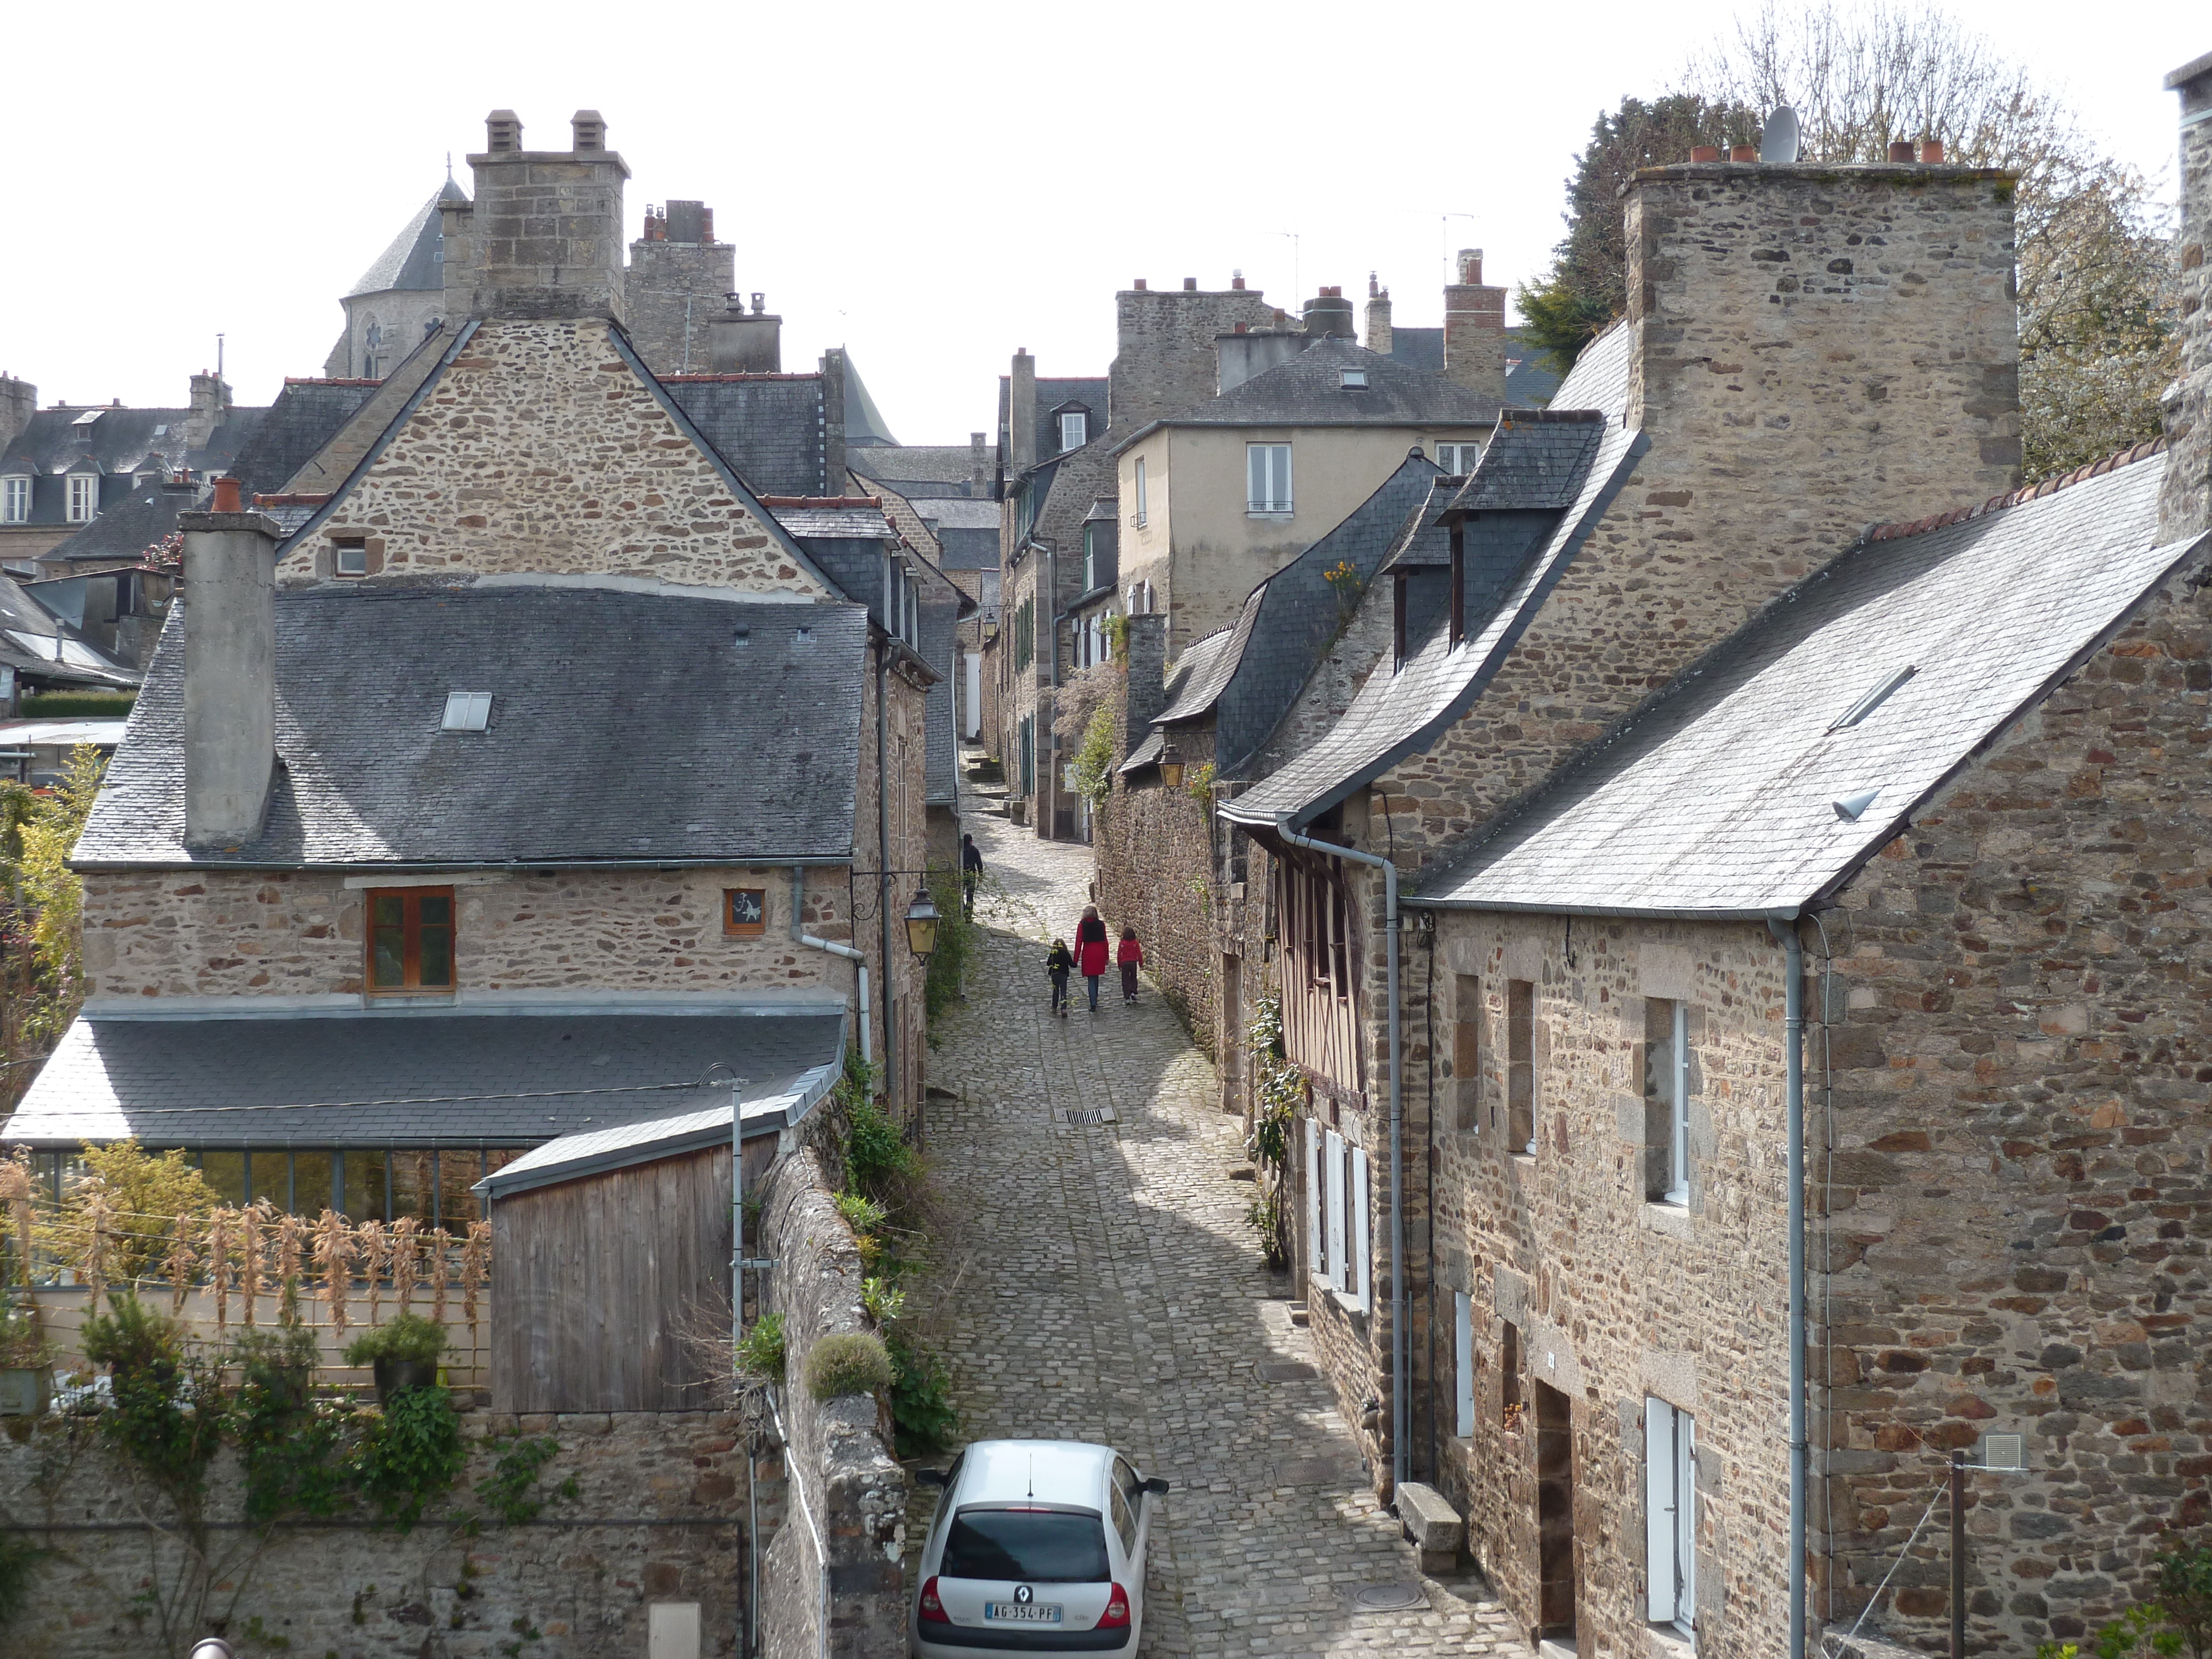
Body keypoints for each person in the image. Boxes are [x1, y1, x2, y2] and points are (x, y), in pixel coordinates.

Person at [1075, 905, 1110, 1014]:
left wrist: (1075, 960)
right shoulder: (1101, 925)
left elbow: (1079, 942)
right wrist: (1107, 956)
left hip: (1088, 953)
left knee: (1091, 978)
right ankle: (1095, 998)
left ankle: (1093, 1003)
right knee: (1096, 976)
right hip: (1099, 952)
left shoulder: (1082, 925)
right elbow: (1105, 941)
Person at [1045, 938, 1073, 1016]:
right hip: (1063, 974)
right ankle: (1064, 1009)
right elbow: (1072, 964)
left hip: (1055, 974)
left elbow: (1048, 963)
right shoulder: (1065, 953)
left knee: (1056, 991)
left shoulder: (1054, 953)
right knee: (1063, 991)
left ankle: (1054, 1007)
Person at [1117, 926, 1144, 1005]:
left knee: (1125, 980)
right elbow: (1139, 953)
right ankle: (1133, 992)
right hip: (1133, 963)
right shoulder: (1135, 943)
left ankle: (1127, 997)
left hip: (1125, 963)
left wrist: (1119, 964)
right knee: (1133, 978)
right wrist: (1141, 963)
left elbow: (1119, 955)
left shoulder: (1122, 943)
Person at [961, 833, 984, 919]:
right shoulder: (974, 850)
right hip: (971, 875)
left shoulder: (961, 850)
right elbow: (979, 864)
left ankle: (963, 911)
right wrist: (981, 876)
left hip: (962, 874)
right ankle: (968, 916)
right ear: (971, 842)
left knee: (960, 895)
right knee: (970, 896)